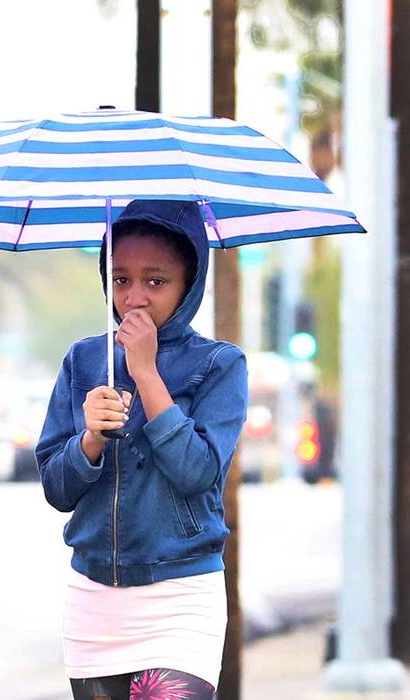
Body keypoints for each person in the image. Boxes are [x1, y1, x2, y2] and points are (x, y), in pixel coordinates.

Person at [35, 199, 248, 700]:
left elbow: (198, 473)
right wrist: (88, 441)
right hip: (94, 599)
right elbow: (55, 488)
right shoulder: (84, 359)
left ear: (189, 282)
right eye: (122, 278)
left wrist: (147, 373)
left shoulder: (220, 364)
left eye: (156, 281)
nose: (134, 297)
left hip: (179, 594)